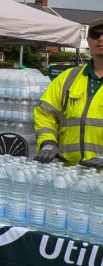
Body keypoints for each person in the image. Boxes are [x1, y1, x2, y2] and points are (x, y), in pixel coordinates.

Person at [33, 16, 103, 167]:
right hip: (68, 175)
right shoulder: (67, 79)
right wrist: (48, 141)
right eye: (96, 35)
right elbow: (45, 113)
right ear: (88, 40)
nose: (101, 39)